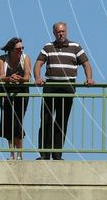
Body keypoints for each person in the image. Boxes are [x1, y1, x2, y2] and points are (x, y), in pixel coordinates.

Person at [33, 22, 94, 160]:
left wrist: (89, 78)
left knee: (61, 120)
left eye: (63, 31)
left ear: (66, 32)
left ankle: (57, 154)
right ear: (54, 33)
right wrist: (37, 77)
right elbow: (38, 63)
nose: (61, 34)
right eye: (58, 32)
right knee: (46, 119)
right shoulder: (48, 47)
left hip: (68, 86)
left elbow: (86, 63)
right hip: (51, 85)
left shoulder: (75, 47)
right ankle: (44, 154)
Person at [0, 37, 31, 160]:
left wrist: (20, 79)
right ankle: (11, 154)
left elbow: (27, 76)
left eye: (22, 48)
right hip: (5, 93)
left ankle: (20, 154)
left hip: (21, 92)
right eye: (18, 49)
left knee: (17, 122)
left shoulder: (25, 58)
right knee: (7, 122)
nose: (20, 50)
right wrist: (9, 78)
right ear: (11, 49)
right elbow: (1, 77)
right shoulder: (2, 59)